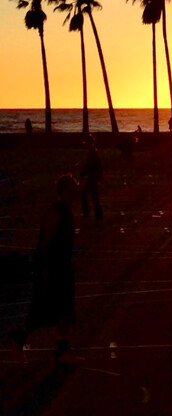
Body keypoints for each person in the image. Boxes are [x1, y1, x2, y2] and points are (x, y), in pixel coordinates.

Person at [9, 174, 84, 365]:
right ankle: (19, 337)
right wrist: (44, 268)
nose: (77, 189)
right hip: (54, 269)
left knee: (64, 311)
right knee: (44, 311)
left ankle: (62, 351)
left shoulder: (66, 211)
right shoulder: (56, 211)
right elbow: (45, 242)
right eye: (73, 186)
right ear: (65, 189)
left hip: (62, 267)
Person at [80, 134, 103, 221]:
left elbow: (92, 166)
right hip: (93, 177)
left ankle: (89, 214)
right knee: (93, 197)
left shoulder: (92, 152)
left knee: (89, 196)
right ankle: (96, 216)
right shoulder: (93, 151)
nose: (84, 144)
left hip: (92, 178)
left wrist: (84, 174)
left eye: (85, 142)